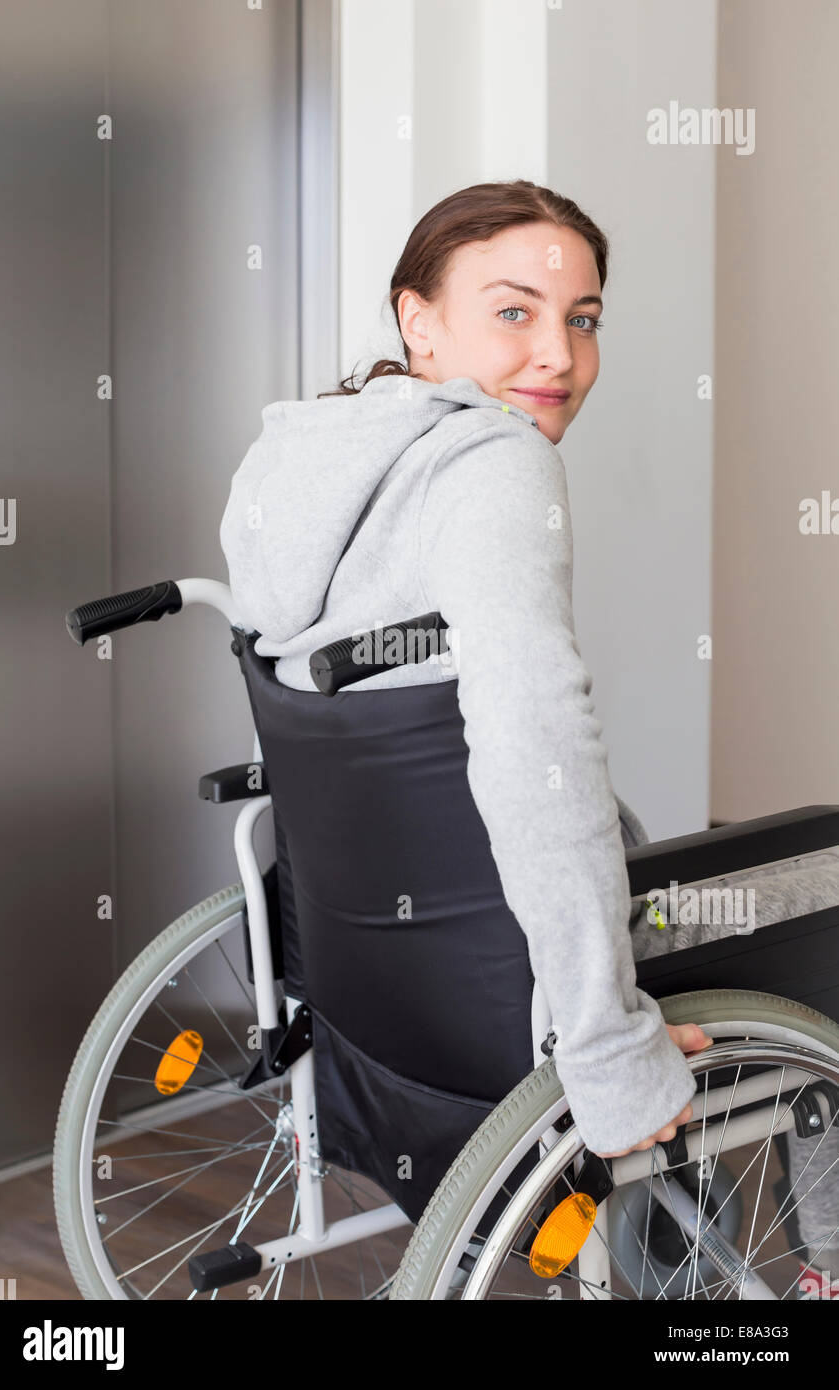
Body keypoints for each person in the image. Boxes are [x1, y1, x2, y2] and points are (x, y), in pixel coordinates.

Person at [220, 179, 839, 1293]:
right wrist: (604, 1049)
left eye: (582, 317)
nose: (556, 353)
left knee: (660, 850)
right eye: (512, 310)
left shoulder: (295, 465)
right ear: (417, 320)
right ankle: (823, 1265)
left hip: (384, 969)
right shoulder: (494, 465)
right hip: (522, 970)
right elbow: (529, 743)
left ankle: (674, 1258)